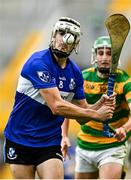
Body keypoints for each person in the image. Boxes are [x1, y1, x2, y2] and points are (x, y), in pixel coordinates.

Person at [3, 18, 115, 179]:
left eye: (70, 36)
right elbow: (57, 107)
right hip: (20, 138)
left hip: (49, 141)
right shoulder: (38, 63)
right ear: (53, 36)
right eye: (61, 33)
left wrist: (99, 104)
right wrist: (97, 115)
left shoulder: (75, 73)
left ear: (76, 43)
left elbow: (83, 115)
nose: (64, 40)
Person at [73, 36, 131, 179]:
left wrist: (124, 129)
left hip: (112, 145)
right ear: (95, 55)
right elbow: (69, 108)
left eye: (109, 53)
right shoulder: (84, 77)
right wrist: (63, 136)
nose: (105, 57)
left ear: (115, 57)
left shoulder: (124, 80)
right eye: (101, 53)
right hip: (84, 145)